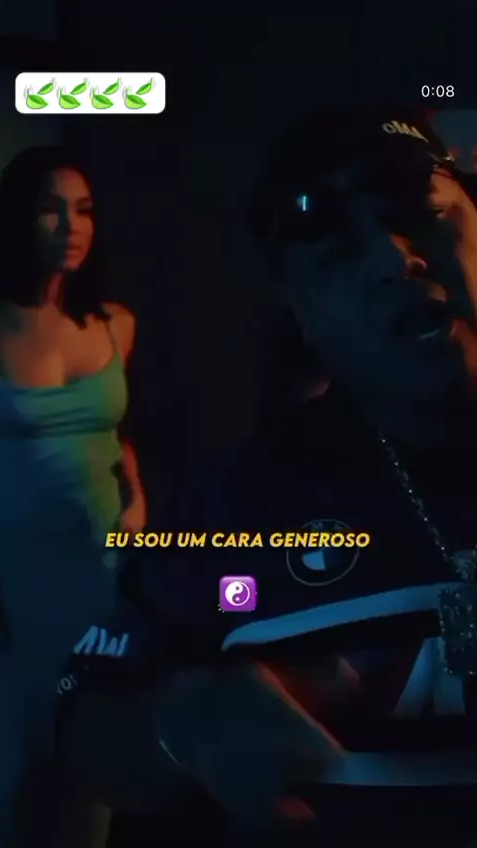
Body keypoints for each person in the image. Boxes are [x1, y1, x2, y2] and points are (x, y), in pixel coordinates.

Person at [55, 110, 477, 847]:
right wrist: (179, 725)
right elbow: (85, 719)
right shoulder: (236, 507)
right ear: (302, 316)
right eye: (337, 251)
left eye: (419, 215)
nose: (392, 257)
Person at [0, 146, 146, 845]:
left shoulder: (115, 323)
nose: (71, 226)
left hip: (100, 567)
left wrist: (137, 501)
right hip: (12, 579)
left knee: (93, 770)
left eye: (83, 210)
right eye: (51, 209)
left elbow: (115, 435)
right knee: (13, 774)